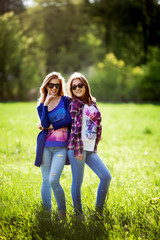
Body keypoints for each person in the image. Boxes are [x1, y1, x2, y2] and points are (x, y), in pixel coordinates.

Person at [67, 72, 111, 216]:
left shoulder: (92, 102)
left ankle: (99, 211)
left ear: (86, 85)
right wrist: (78, 150)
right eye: (74, 87)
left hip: (90, 148)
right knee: (77, 182)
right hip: (77, 148)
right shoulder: (74, 103)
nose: (77, 89)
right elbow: (74, 128)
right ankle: (78, 214)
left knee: (106, 176)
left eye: (80, 85)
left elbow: (96, 122)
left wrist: (97, 137)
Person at [35, 72, 71, 218]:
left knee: (54, 180)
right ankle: (47, 213)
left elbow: (68, 120)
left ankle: (62, 212)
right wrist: (46, 104)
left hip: (61, 147)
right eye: (51, 85)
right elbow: (44, 123)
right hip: (45, 146)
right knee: (45, 180)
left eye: (57, 85)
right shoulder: (41, 106)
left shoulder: (66, 100)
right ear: (46, 86)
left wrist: (52, 126)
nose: (54, 88)